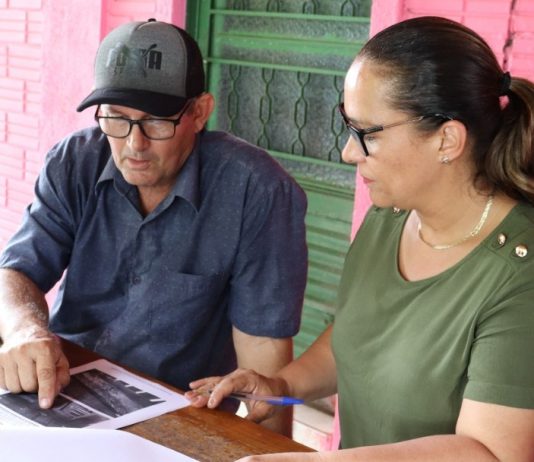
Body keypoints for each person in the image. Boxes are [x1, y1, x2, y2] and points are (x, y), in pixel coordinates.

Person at [186, 16, 534, 460]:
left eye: (366, 134)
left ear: (447, 139)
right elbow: (361, 335)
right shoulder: (390, 218)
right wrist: (281, 385)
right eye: (347, 127)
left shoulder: (520, 274)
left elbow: (490, 452)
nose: (349, 152)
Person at [0, 19, 307, 435]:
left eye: (156, 121)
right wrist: (24, 330)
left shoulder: (257, 191)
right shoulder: (75, 161)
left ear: (199, 112)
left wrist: (275, 455)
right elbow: (17, 270)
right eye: (116, 118)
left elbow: (265, 358)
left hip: (180, 416)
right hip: (65, 386)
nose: (135, 145)